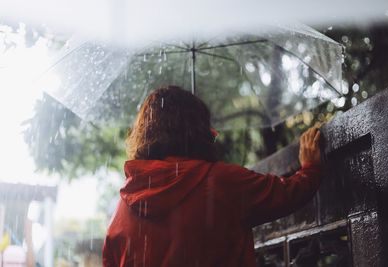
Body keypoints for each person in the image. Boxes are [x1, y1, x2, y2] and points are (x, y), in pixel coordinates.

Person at [102, 85, 321, 267]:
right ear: (199, 130)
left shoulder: (121, 211)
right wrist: (310, 166)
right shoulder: (222, 182)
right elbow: (290, 193)